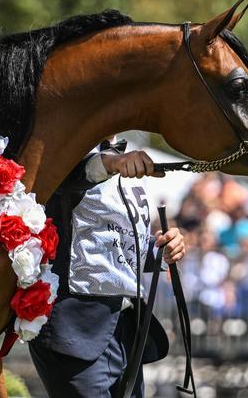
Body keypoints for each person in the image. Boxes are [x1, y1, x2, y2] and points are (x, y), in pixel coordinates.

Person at [29, 137, 186, 398]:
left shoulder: (134, 161)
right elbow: (76, 175)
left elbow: (118, 242)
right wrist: (112, 163)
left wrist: (162, 249)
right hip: (74, 332)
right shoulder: (60, 145)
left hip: (125, 330)